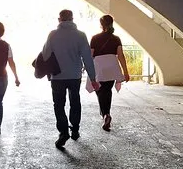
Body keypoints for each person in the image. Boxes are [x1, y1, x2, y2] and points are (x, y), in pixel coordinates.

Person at [42, 9, 99, 149]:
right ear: (72, 19)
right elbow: (87, 58)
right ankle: (75, 129)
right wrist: (93, 78)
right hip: (74, 75)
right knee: (75, 101)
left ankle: (63, 132)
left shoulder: (53, 34)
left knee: (58, 104)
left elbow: (45, 54)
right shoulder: (80, 35)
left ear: (59, 19)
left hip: (57, 76)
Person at [90, 14, 131, 131]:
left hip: (99, 66)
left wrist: (87, 68)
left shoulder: (95, 38)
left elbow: (90, 55)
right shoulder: (116, 39)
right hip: (112, 66)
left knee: (99, 89)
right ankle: (106, 113)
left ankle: (105, 114)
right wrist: (125, 72)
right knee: (107, 90)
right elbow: (121, 56)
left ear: (101, 24)